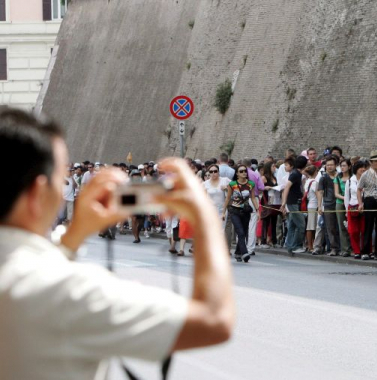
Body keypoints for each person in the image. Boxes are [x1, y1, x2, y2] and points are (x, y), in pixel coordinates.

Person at [0, 109, 234, 378]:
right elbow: (213, 320)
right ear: (37, 193)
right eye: (60, 175)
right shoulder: (68, 291)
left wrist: (74, 236)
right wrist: (204, 213)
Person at [223, 165, 259, 263]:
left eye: (245, 171)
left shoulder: (250, 184)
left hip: (246, 211)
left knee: (244, 232)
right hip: (234, 210)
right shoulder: (232, 184)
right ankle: (244, 253)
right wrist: (223, 212)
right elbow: (228, 198)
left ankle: (238, 252)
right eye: (241, 171)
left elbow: (253, 197)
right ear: (237, 174)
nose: (244, 173)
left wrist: (257, 210)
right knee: (240, 232)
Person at [358, 150, 377, 260]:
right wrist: (360, 203)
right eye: (376, 161)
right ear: (371, 162)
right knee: (368, 227)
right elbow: (359, 189)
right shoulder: (365, 174)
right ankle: (365, 251)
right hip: (369, 200)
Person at [280, 155, 309, 254]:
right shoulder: (295, 174)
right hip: (292, 202)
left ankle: (289, 245)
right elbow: (287, 187)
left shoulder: (296, 173)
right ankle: (296, 245)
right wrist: (284, 203)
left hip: (293, 202)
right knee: (301, 224)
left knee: (292, 224)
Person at [317, 156, 341, 256]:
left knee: (341, 226)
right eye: (327, 165)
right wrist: (319, 206)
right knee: (330, 228)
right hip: (328, 204)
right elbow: (320, 192)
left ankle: (343, 248)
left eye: (331, 165)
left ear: (336, 166)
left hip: (340, 204)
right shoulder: (323, 178)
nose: (329, 167)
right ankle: (333, 248)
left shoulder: (340, 176)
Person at [347, 159, 367, 258]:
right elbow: (347, 196)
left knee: (364, 230)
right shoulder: (350, 180)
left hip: (365, 206)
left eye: (364, 167)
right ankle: (356, 251)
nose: (363, 169)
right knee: (353, 231)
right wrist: (347, 211)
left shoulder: (367, 179)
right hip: (353, 206)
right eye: (360, 167)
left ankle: (364, 250)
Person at [333, 159, 353, 256]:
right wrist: (345, 198)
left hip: (352, 203)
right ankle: (345, 249)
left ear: (349, 167)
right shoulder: (337, 178)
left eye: (344, 165)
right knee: (342, 226)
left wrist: (349, 199)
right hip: (340, 202)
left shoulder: (353, 178)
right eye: (341, 166)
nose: (342, 168)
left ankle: (353, 247)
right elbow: (336, 193)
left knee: (352, 225)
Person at [259, 162, 280, 248]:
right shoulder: (264, 177)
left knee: (274, 219)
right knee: (266, 219)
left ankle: (274, 240)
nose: (274, 167)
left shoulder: (274, 177)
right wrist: (265, 187)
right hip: (267, 199)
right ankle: (263, 240)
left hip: (275, 198)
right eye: (273, 166)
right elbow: (259, 188)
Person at [303, 165, 319, 253]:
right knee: (311, 226)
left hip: (310, 205)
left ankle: (310, 244)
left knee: (310, 226)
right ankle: (310, 245)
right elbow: (317, 194)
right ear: (315, 172)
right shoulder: (314, 182)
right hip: (314, 205)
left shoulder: (307, 181)